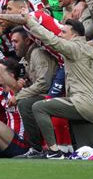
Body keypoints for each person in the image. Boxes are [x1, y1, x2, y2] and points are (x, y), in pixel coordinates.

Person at [23, 15, 93, 158]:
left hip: (82, 104)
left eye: (63, 32)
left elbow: (51, 40)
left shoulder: (74, 47)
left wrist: (30, 22)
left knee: (39, 107)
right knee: (91, 150)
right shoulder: (92, 50)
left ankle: (54, 151)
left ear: (74, 35)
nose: (60, 35)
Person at [9, 26, 57, 157]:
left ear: (28, 41)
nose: (13, 45)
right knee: (25, 102)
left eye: (16, 41)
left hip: (57, 95)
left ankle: (37, 148)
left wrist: (19, 96)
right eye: (12, 42)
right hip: (47, 95)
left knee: (24, 103)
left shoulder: (38, 53)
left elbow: (44, 84)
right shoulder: (27, 57)